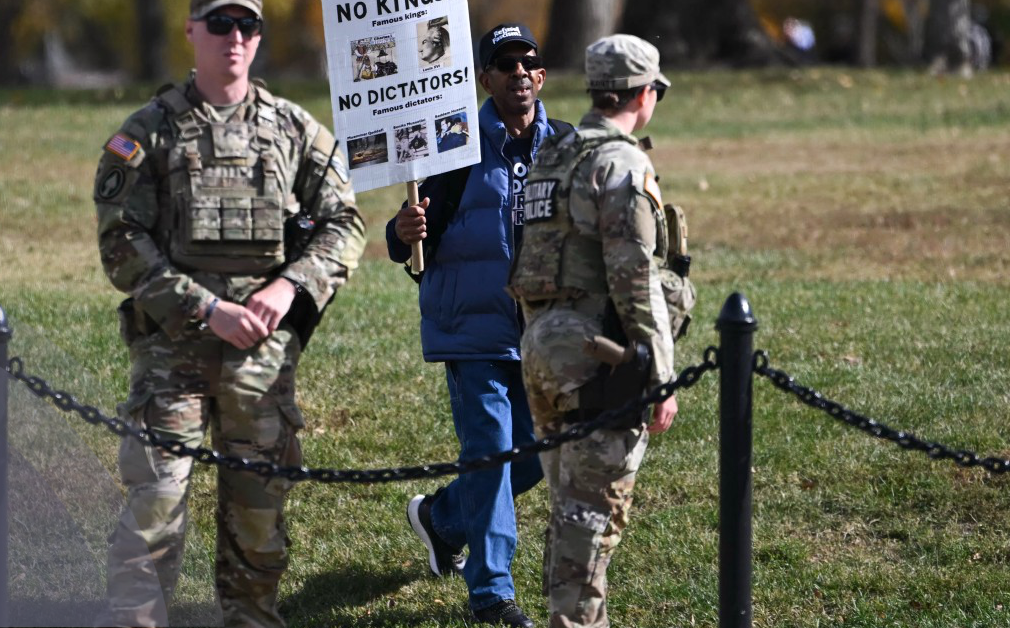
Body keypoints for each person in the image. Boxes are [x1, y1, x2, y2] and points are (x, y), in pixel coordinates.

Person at [92, 0, 366, 626]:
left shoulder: (294, 129)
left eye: (248, 25)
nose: (235, 37)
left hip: (261, 356)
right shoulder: (148, 132)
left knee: (257, 519)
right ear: (192, 30)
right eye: (220, 23)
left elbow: (344, 222)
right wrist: (205, 308)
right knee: (154, 507)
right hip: (172, 351)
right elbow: (120, 241)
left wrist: (290, 287)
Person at [387, 22, 574, 628]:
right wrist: (402, 232)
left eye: (527, 63)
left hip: (544, 332)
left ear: (540, 75)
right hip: (475, 329)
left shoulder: (567, 145)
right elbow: (409, 236)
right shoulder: (453, 145)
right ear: (484, 79)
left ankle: (443, 520)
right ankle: (492, 594)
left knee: (541, 450)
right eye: (504, 64)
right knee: (491, 447)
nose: (518, 72)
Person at [507, 35, 696, 628]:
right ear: (643, 94)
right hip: (597, 358)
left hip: (542, 348)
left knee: (570, 511)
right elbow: (633, 275)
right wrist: (660, 377)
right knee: (591, 522)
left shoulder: (554, 154)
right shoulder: (621, 163)